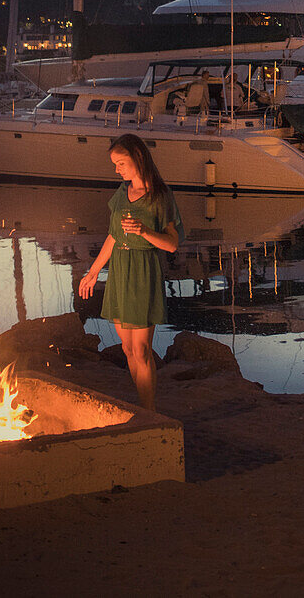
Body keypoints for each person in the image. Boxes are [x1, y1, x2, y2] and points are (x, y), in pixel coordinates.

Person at [79, 133, 182, 410]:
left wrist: (145, 231)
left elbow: (172, 244)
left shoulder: (160, 196)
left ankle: (148, 413)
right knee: (126, 348)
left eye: (121, 163)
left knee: (141, 349)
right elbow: (113, 236)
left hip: (143, 271)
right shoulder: (122, 194)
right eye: (115, 164)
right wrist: (93, 272)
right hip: (119, 271)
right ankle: (142, 403)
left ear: (138, 158)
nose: (117, 169)